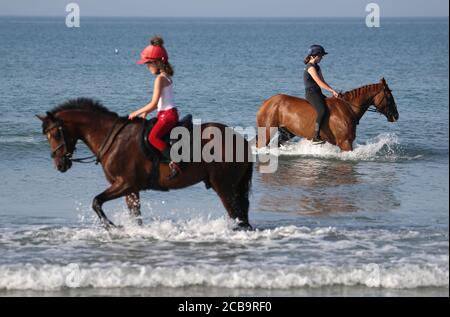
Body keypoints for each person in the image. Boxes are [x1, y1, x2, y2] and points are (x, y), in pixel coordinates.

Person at [129, 36, 181, 179]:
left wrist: (136, 112)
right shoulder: (166, 76)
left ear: (158, 62)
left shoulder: (159, 79)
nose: (147, 66)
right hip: (167, 113)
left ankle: (174, 161)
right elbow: (159, 103)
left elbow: (153, 103)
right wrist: (145, 113)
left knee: (152, 137)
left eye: (149, 63)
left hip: (167, 115)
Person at [303, 45, 340, 144]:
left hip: (318, 93)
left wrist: (333, 90)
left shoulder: (317, 67)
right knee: (322, 111)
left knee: (331, 107)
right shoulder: (310, 67)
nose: (322, 58)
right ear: (313, 56)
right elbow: (319, 82)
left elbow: (323, 81)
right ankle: (316, 136)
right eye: (320, 56)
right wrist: (332, 91)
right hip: (311, 94)